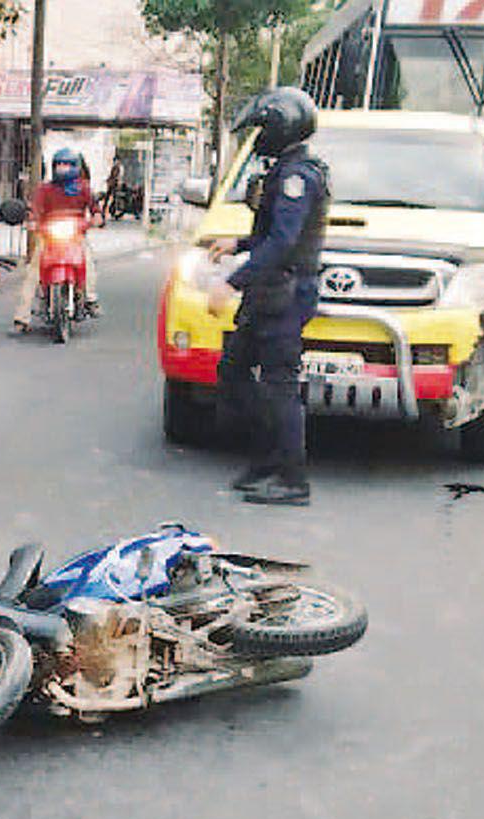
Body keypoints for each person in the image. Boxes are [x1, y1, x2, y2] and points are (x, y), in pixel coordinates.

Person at [205, 87, 329, 507]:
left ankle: (292, 479)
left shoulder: (299, 177)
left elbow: (282, 243)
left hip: (286, 293)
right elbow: (265, 237)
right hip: (269, 292)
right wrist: (236, 244)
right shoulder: (285, 169)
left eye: (263, 128)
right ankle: (266, 462)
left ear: (281, 127)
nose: (258, 137)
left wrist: (230, 283)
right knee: (235, 372)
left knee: (280, 387)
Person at [13, 147, 102, 331]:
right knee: (33, 273)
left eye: (67, 164)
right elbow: (35, 210)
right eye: (59, 164)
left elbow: (95, 210)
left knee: (89, 265)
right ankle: (22, 317)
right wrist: (32, 222)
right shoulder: (45, 189)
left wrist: (96, 219)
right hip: (49, 238)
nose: (62, 168)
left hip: (76, 236)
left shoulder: (83, 188)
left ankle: (90, 299)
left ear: (75, 167)